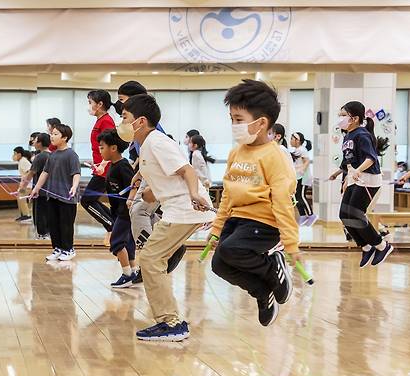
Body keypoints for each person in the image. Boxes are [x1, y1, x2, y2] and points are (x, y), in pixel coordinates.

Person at [120, 94, 214, 341]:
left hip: (184, 209)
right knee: (153, 259)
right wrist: (145, 191)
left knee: (151, 260)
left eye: (124, 117)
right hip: (177, 208)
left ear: (140, 121)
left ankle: (171, 323)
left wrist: (194, 194)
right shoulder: (145, 146)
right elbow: (159, 187)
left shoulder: (157, 142)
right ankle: (170, 321)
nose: (121, 123)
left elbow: (188, 171)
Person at [209, 79, 300, 327]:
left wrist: (291, 243)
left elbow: (283, 201)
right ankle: (262, 292)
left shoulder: (275, 156)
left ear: (261, 123)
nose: (234, 125)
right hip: (238, 221)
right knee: (219, 265)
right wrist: (217, 229)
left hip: (264, 222)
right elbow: (227, 194)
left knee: (231, 251)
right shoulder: (236, 152)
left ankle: (274, 267)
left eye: (239, 119)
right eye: (231, 119)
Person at [116, 80, 187, 284]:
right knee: (142, 212)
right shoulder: (139, 129)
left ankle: (158, 253)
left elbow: (170, 162)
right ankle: (169, 247)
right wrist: (139, 172)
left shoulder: (153, 131)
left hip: (159, 178)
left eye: (122, 101)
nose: (121, 107)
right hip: (148, 174)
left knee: (139, 211)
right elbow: (145, 155)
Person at [337, 101, 393, 267]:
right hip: (355, 180)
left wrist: (357, 171)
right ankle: (367, 247)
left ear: (354, 118)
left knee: (356, 214)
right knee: (343, 215)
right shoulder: (347, 136)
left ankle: (382, 246)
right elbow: (348, 161)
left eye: (342, 115)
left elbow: (371, 158)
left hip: (369, 180)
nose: (339, 118)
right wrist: (343, 176)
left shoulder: (362, 135)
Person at [31, 124, 81, 261]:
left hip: (67, 198)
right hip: (52, 196)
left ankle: (69, 249)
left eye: (55, 134)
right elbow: (44, 173)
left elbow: (76, 173)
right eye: (52, 134)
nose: (52, 136)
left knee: (65, 224)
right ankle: (57, 248)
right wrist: (36, 189)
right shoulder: (52, 156)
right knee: (53, 224)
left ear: (65, 137)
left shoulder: (71, 155)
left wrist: (74, 187)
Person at [98, 129, 137, 288]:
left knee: (116, 242)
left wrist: (129, 201)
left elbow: (133, 185)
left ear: (113, 148)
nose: (100, 150)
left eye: (102, 147)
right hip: (118, 211)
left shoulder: (123, 166)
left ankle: (127, 274)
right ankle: (134, 270)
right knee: (127, 243)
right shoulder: (112, 166)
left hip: (125, 212)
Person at [81, 90, 116, 240]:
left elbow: (111, 146)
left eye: (90, 102)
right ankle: (113, 225)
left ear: (100, 104)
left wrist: (103, 164)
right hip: (100, 168)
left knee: (87, 200)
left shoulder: (106, 121)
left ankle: (111, 226)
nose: (88, 106)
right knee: (91, 200)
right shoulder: (100, 120)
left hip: (105, 170)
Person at [20, 133, 51, 238]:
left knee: (40, 214)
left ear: (40, 143)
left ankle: (42, 234)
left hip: (39, 191)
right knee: (48, 213)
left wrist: (22, 187)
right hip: (50, 191)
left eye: (36, 140)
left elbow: (31, 174)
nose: (33, 142)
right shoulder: (52, 155)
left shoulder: (39, 157)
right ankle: (47, 233)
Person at [290, 132, 316, 226]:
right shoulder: (296, 150)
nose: (290, 140)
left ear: (297, 141)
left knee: (301, 196)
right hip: (298, 177)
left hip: (303, 177)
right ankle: (303, 215)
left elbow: (307, 161)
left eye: (292, 139)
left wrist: (302, 170)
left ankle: (311, 215)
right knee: (296, 197)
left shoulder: (302, 150)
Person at [13, 146, 33, 223]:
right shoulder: (21, 161)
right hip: (24, 184)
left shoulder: (23, 161)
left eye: (15, 154)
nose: (14, 156)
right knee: (20, 198)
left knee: (21, 198)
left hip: (27, 184)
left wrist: (24, 184)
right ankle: (23, 215)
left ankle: (27, 216)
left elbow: (29, 172)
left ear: (19, 154)